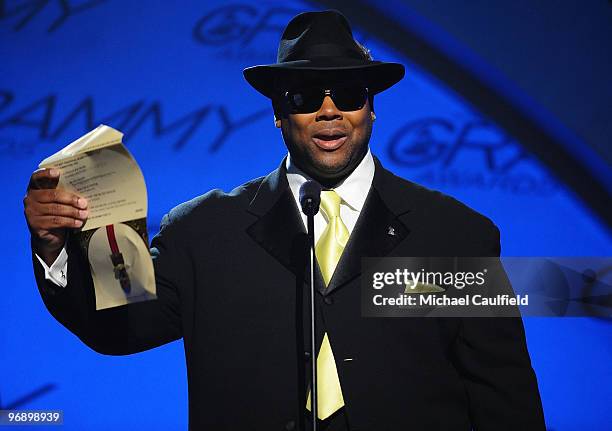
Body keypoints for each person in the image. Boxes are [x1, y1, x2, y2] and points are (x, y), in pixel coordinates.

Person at [24, 10, 545, 431]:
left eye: (347, 95)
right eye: (304, 96)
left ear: (371, 107)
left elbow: (505, 400)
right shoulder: (203, 232)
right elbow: (118, 327)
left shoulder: (453, 234)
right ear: (277, 111)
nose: (328, 111)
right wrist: (53, 246)